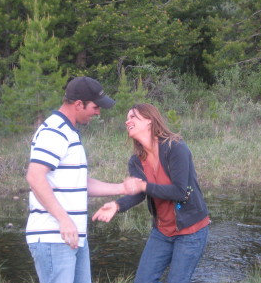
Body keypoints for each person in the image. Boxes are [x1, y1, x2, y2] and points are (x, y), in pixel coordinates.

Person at [25, 76, 133, 283]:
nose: (98, 112)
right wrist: (64, 219)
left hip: (72, 236)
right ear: (78, 104)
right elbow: (34, 176)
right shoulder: (54, 131)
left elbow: (79, 183)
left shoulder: (70, 132)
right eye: (95, 107)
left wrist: (123, 188)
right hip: (54, 237)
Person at [92, 103, 210, 283]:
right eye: (127, 117)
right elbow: (138, 193)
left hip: (190, 231)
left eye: (133, 117)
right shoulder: (136, 161)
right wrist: (117, 205)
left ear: (149, 120)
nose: (127, 121)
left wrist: (143, 187)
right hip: (162, 231)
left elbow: (180, 192)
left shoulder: (176, 147)